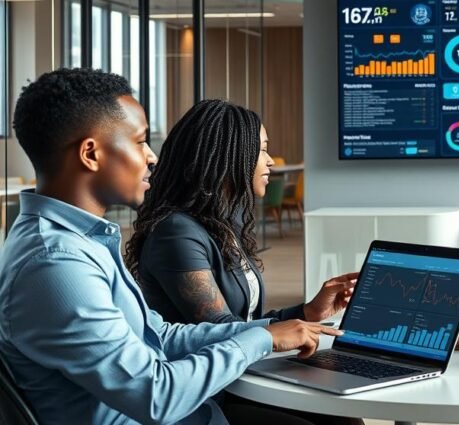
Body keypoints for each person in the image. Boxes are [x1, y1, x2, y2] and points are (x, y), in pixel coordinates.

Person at [0, 68, 339, 425]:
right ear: (91, 154)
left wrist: (268, 331)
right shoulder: (57, 263)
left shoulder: (81, 242)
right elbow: (155, 396)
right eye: (139, 141)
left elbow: (159, 335)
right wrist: (260, 341)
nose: (152, 157)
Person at [126, 99, 358, 327]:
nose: (269, 162)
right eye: (263, 150)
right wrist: (292, 330)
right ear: (230, 156)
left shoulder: (222, 224)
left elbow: (246, 322)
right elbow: (221, 328)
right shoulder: (176, 233)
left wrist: (308, 312)